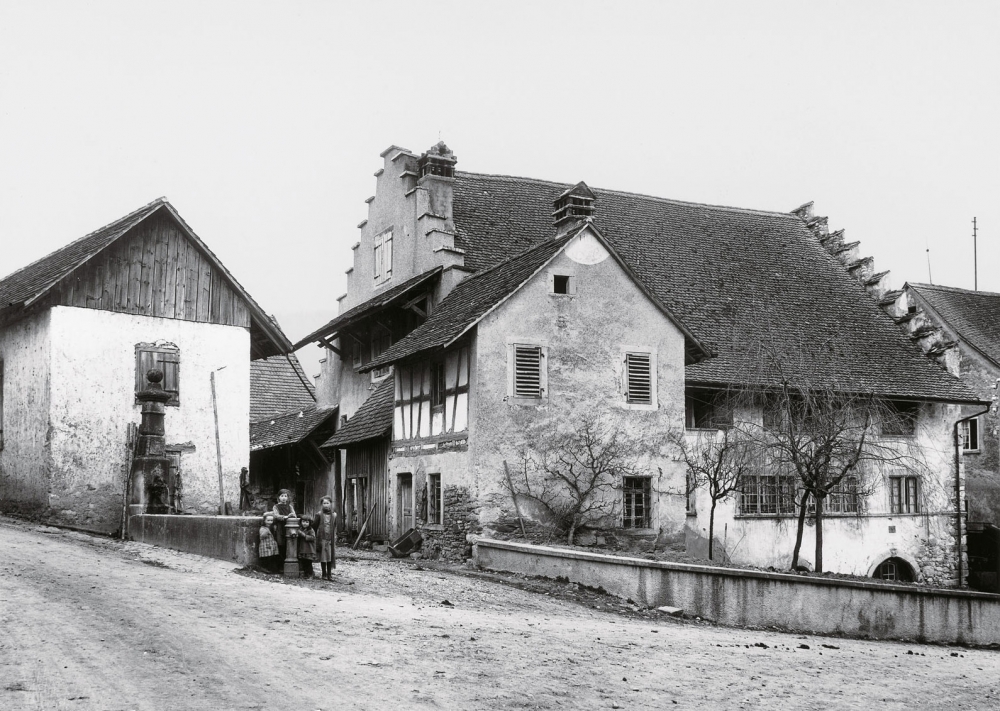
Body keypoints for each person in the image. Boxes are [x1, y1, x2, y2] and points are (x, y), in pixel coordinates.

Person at [313, 496, 337, 580]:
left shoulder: (334, 515)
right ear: (321, 504)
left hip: (330, 539)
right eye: (324, 503)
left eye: (327, 503)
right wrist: (315, 538)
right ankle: (323, 574)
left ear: (330, 504)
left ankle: (329, 574)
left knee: (330, 556)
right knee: (323, 556)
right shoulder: (319, 514)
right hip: (322, 538)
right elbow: (314, 527)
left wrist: (334, 537)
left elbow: (334, 527)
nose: (326, 505)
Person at [271, 489, 297, 559]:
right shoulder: (276, 506)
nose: (284, 498)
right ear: (279, 497)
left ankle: (289, 559)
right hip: (280, 527)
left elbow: (294, 515)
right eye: (282, 496)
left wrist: (292, 515)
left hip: (289, 527)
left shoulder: (290, 506)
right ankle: (281, 564)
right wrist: (285, 517)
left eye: (285, 496)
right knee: (280, 544)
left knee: (288, 543)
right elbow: (276, 516)